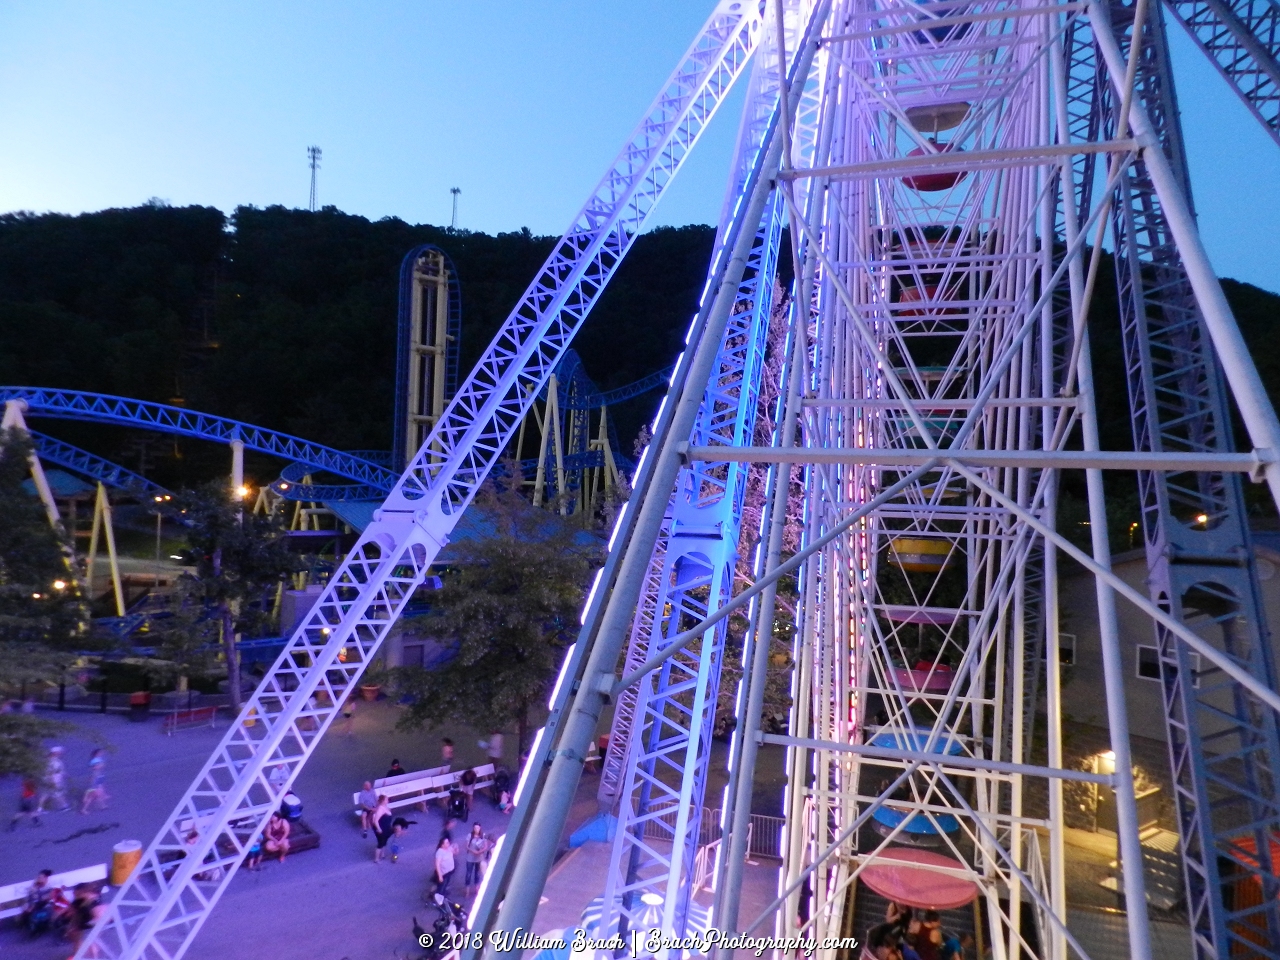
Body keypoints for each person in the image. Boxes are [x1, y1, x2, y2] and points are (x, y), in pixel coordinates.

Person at [65, 882, 104, 956]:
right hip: (92, 924)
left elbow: (73, 914)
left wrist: (72, 926)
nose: (73, 894)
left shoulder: (79, 901)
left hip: (85, 925)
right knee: (91, 942)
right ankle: (94, 956)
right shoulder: (94, 897)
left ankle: (78, 956)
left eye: (75, 892)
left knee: (80, 943)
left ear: (80, 891)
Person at [463, 822, 490, 898]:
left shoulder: (483, 835)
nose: (476, 829)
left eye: (478, 828)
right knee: (468, 874)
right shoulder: (470, 835)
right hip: (470, 858)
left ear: (480, 828)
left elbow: (485, 846)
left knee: (477, 874)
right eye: (475, 828)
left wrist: (480, 851)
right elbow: (467, 846)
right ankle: (467, 890)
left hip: (479, 858)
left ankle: (476, 889)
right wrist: (473, 851)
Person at [40, 745, 70, 813]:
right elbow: (50, 772)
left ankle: (40, 808)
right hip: (52, 779)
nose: (61, 753)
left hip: (56, 779)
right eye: (59, 752)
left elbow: (60, 770)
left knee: (46, 793)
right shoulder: (51, 761)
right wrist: (51, 780)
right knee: (56, 792)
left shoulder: (57, 760)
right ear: (55, 753)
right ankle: (64, 806)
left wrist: (64, 774)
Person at [80, 748, 108, 814]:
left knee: (99, 792)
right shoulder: (94, 760)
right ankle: (84, 809)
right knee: (93, 794)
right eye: (100, 753)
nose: (101, 754)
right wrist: (101, 765)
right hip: (95, 777)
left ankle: (102, 805)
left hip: (99, 776)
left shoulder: (99, 759)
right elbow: (95, 768)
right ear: (97, 753)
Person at [372, 795, 394, 863]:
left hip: (386, 827)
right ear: (383, 801)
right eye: (386, 799)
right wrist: (379, 829)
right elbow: (375, 821)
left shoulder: (385, 807)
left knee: (385, 841)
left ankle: (382, 854)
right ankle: (376, 859)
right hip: (381, 829)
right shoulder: (381, 809)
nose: (388, 800)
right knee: (381, 843)